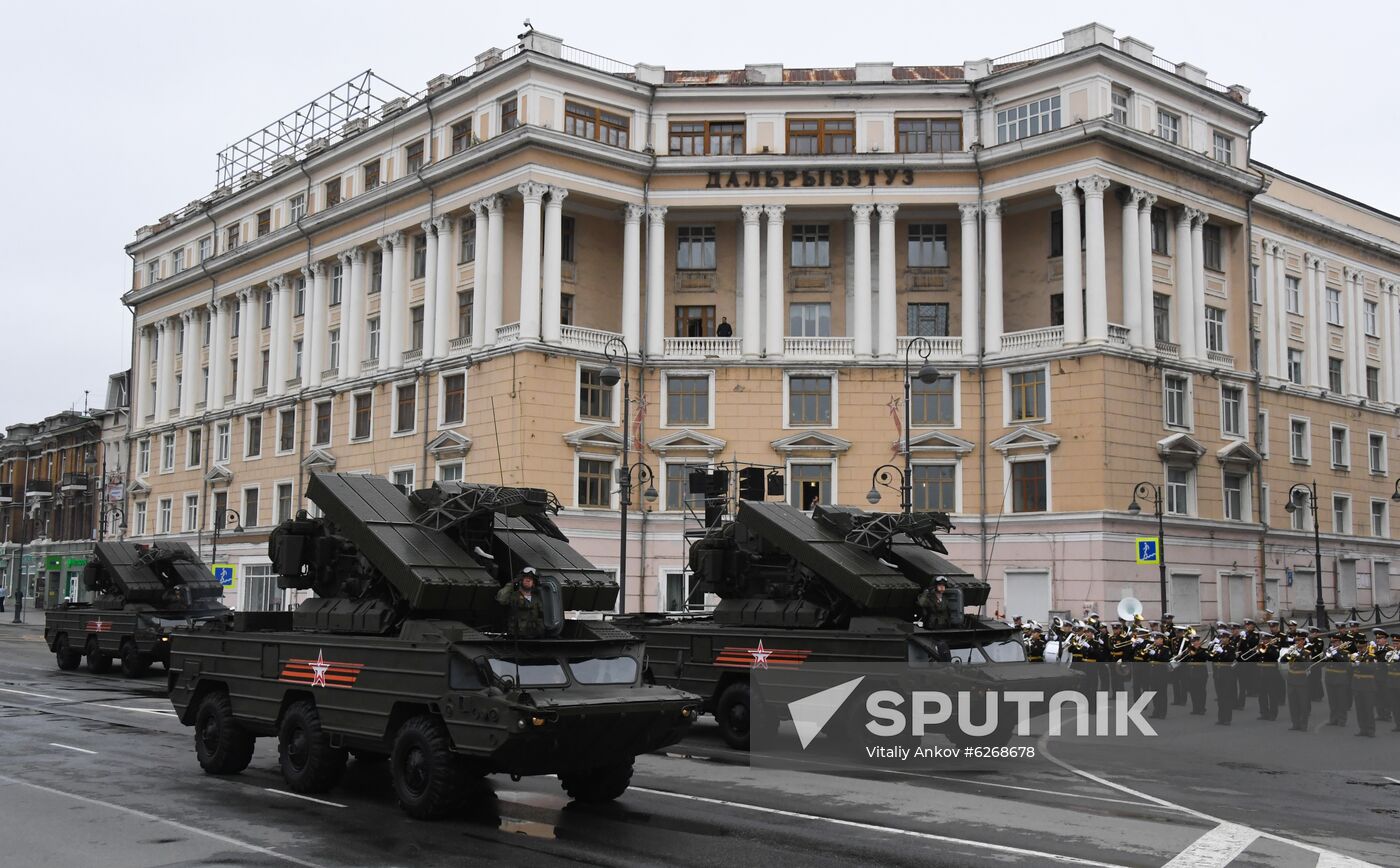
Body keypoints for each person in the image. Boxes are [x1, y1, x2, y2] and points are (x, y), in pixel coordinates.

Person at [495, 566, 545, 638]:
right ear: (521, 580)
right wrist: (512, 583)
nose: (528, 580)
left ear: (534, 583)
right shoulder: (513, 596)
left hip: (533, 638)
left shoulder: (537, 598)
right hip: (515, 638)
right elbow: (501, 598)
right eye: (526, 578)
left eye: (530, 579)